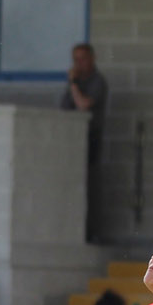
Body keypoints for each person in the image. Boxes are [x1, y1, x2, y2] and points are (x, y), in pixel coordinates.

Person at [62, 43, 109, 240]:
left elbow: (83, 105)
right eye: (76, 60)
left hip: (90, 139)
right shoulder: (75, 82)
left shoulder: (97, 81)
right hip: (71, 141)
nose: (79, 64)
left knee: (90, 185)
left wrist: (73, 83)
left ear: (92, 59)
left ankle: (91, 232)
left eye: (83, 59)